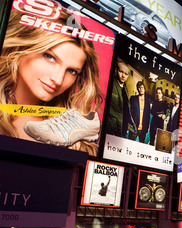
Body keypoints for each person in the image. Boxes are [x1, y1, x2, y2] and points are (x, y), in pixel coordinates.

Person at [0, 8, 104, 156]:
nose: (58, 79)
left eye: (72, 71)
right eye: (50, 57)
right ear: (22, 46)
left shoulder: (67, 133)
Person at [105, 58, 133, 138]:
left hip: (123, 129)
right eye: (121, 72)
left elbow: (126, 109)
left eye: (126, 73)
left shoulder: (125, 88)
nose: (123, 75)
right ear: (117, 70)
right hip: (112, 130)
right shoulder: (111, 84)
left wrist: (127, 126)